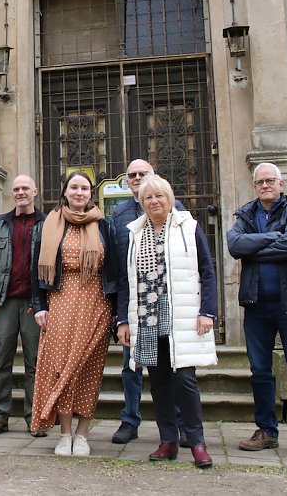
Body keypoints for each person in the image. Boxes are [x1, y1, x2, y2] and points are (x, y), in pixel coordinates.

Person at [117, 175, 218, 468]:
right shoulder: (134, 232)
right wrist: (123, 320)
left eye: (159, 196)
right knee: (158, 383)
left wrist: (207, 311)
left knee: (185, 380)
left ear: (169, 198)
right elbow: (127, 280)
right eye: (148, 197)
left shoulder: (189, 227)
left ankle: (197, 442)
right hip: (147, 318)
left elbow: (207, 271)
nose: (154, 201)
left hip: (182, 316)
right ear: (141, 202)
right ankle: (168, 440)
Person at [227, 162, 287, 464]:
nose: (265, 185)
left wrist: (254, 247)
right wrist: (271, 238)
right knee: (260, 371)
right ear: (254, 186)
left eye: (270, 181)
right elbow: (234, 244)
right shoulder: (246, 213)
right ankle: (267, 430)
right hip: (257, 304)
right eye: (259, 182)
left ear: (281, 184)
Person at [30, 171, 119, 457]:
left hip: (96, 303)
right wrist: (40, 305)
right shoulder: (50, 225)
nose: (79, 193)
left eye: (84, 188)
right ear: (65, 192)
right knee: (61, 367)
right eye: (74, 187)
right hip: (60, 301)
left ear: (91, 193)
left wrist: (117, 313)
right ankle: (64, 434)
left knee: (88, 368)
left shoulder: (105, 226)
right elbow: (36, 269)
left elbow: (115, 271)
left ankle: (82, 434)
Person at [111, 159, 188, 446]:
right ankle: (130, 421)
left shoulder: (175, 209)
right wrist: (120, 316)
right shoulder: (118, 214)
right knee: (131, 366)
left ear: (155, 176)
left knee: (172, 366)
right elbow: (119, 268)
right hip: (133, 302)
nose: (137, 178)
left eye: (143, 173)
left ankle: (179, 425)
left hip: (168, 301)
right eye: (132, 175)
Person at [0, 175, 47, 438]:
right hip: (4, 302)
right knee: (1, 361)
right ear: (12, 193)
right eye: (16, 189)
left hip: (34, 303)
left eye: (25, 188)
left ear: (35, 191)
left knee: (35, 362)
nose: (20, 192)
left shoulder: (47, 223)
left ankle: (34, 416)